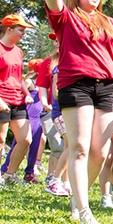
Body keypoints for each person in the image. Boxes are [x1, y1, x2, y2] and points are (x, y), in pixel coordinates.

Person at [41, 0, 113, 224]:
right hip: (76, 85)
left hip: (106, 87)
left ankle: (78, 198)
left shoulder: (109, 22)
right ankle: (84, 210)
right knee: (79, 148)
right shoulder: (65, 18)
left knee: (99, 153)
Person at [0, 14, 34, 187]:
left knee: (26, 139)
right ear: (8, 29)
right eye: (21, 30)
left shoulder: (18, 51)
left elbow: (18, 78)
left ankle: (10, 174)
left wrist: (26, 93)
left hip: (17, 100)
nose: (23, 33)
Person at [35, 37, 71, 196]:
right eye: (56, 41)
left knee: (67, 146)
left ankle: (63, 180)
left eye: (60, 40)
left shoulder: (70, 60)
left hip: (67, 109)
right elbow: (43, 86)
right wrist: (44, 103)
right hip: (54, 110)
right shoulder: (50, 64)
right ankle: (55, 178)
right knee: (58, 144)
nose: (57, 43)